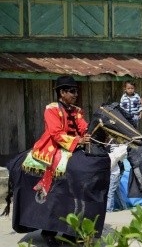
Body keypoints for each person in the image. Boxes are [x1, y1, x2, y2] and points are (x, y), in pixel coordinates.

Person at [26, 76, 96, 246]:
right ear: (62, 92)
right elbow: (56, 133)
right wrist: (78, 141)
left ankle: (74, 227)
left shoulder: (77, 111)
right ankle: (48, 229)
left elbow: (83, 127)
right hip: (55, 147)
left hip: (74, 149)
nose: (75, 94)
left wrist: (94, 131)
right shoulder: (51, 109)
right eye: (72, 91)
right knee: (58, 186)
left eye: (76, 90)